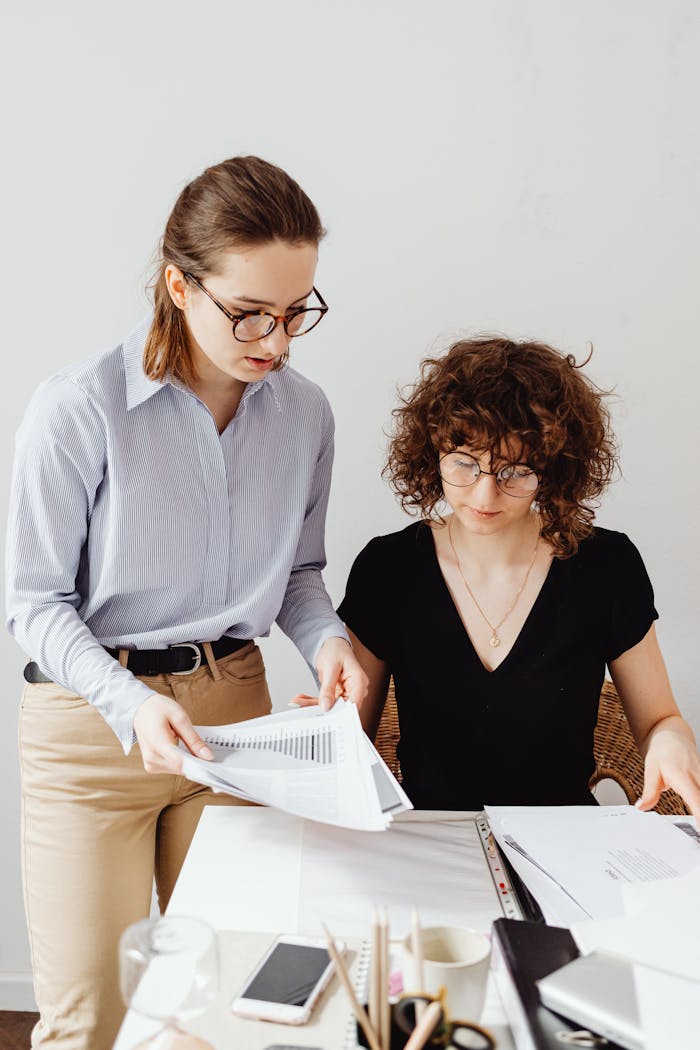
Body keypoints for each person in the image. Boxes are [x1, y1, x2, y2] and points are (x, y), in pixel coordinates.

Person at [6, 155, 367, 1049]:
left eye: (296, 314)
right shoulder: (80, 408)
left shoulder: (306, 416)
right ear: (178, 284)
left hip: (237, 723)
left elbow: (298, 578)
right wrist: (134, 707)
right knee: (91, 1020)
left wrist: (329, 643)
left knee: (230, 1004)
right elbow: (35, 602)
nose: (275, 341)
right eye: (250, 313)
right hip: (91, 731)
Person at [334, 337, 700, 816]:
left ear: (553, 469)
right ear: (432, 453)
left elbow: (660, 719)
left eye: (516, 471)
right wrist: (324, 729)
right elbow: (351, 741)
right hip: (428, 838)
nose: (485, 494)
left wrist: (670, 741)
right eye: (464, 464)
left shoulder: (606, 566)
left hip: (565, 845)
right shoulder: (389, 569)